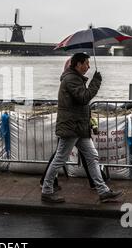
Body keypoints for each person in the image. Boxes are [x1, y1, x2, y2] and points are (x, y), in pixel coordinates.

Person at [41, 52, 124, 203]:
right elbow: (84, 97)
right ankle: (46, 190)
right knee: (60, 159)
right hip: (71, 127)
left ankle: (103, 191)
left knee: (92, 156)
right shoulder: (71, 79)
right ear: (78, 64)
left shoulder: (75, 78)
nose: (88, 66)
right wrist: (96, 82)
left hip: (78, 127)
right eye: (86, 63)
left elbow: (81, 103)